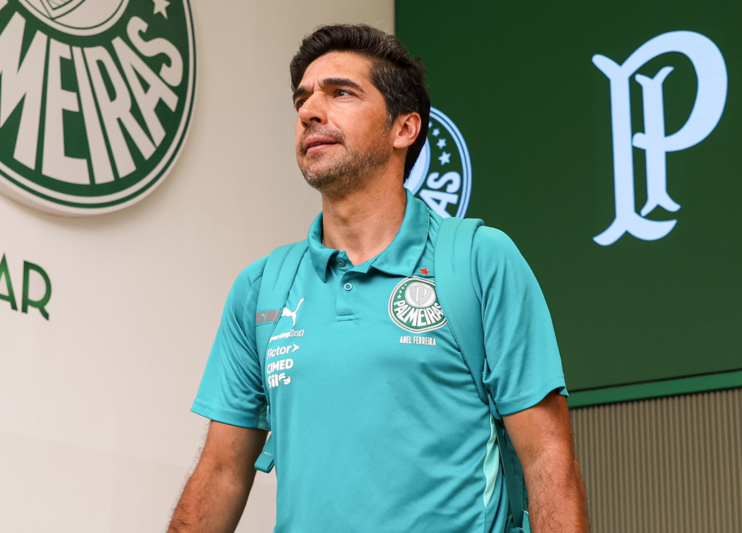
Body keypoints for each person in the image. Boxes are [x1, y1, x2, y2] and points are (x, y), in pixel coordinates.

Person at [168, 24, 588, 533]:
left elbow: (548, 460)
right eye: (302, 99)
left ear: (404, 129)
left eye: (340, 93)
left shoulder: (480, 260)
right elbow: (220, 472)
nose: (309, 111)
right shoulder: (260, 289)